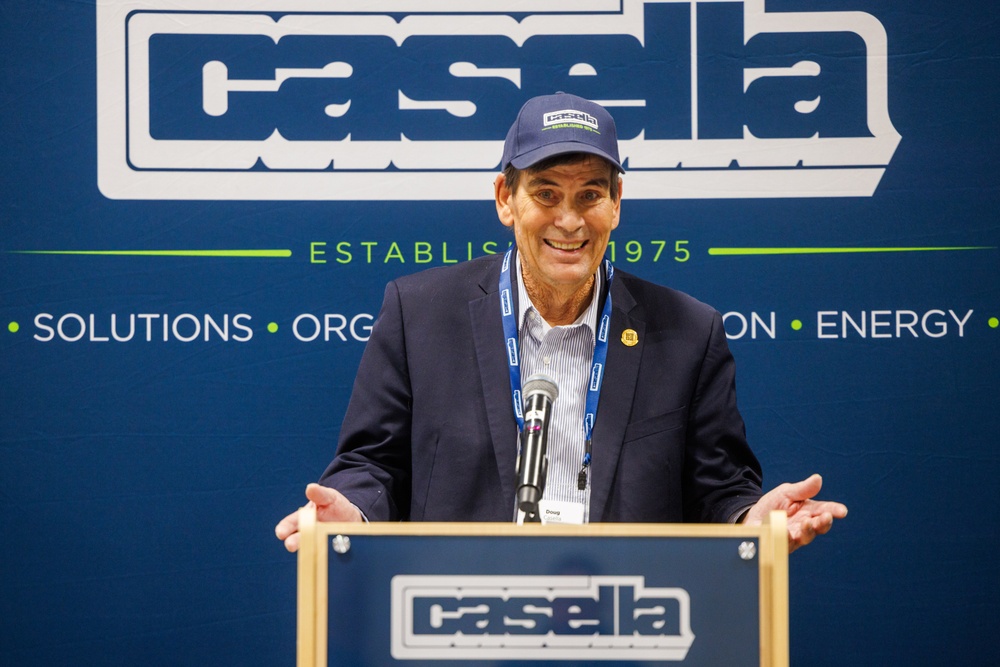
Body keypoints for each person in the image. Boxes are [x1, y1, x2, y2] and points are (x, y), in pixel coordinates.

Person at [276, 93, 847, 552]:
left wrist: (752, 520)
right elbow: (371, 464)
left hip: (631, 620)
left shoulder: (690, 334)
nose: (569, 220)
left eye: (590, 195)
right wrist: (354, 513)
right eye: (546, 194)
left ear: (617, 202)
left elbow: (719, 490)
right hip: (458, 618)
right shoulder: (418, 313)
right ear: (505, 199)